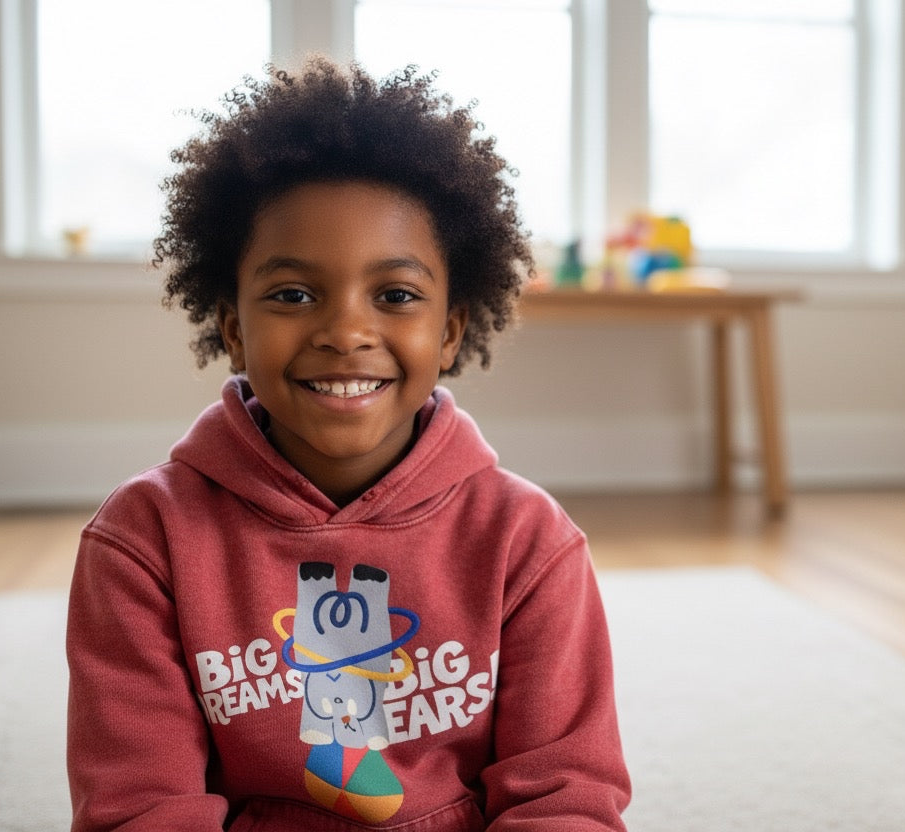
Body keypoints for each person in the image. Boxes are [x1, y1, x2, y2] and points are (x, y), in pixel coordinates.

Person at [66, 58, 630, 831]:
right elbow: (142, 806)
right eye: (292, 295)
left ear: (450, 331)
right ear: (233, 327)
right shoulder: (143, 540)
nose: (345, 331)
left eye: (395, 296)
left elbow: (564, 797)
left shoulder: (528, 542)